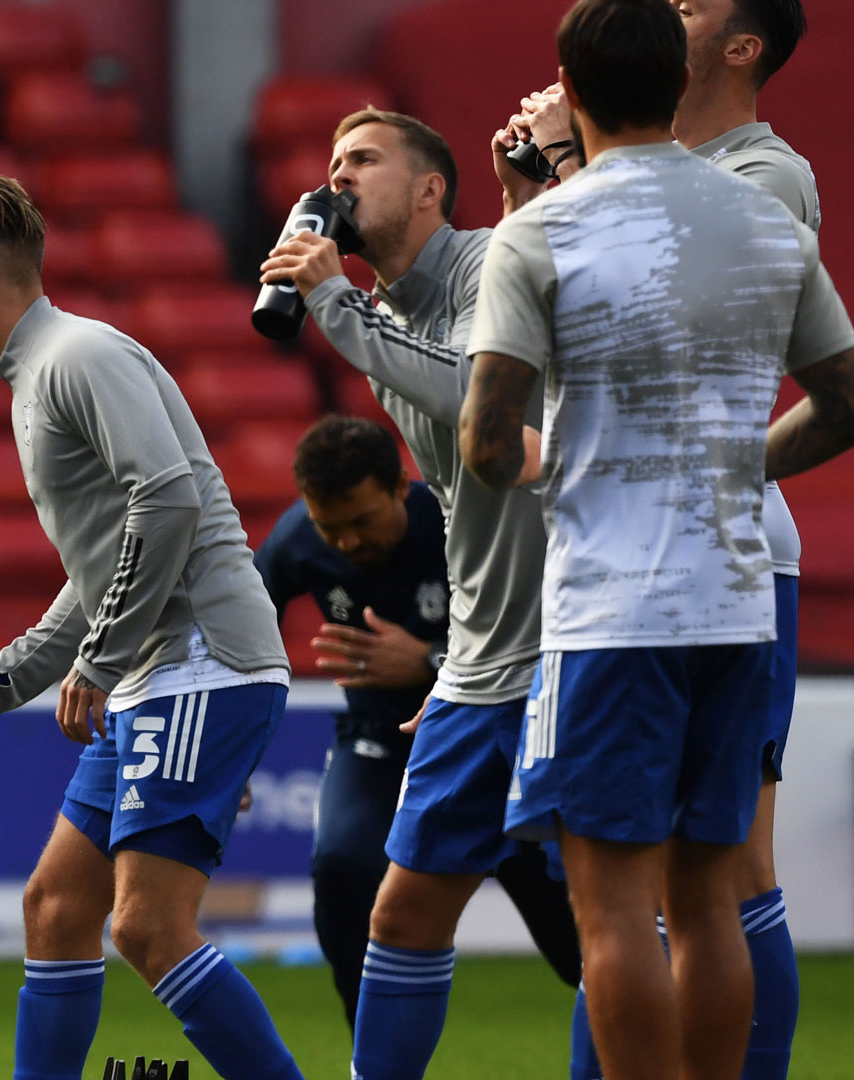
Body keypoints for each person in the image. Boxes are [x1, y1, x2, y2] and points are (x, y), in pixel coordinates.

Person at [459, 5, 854, 1080]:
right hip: (736, 596)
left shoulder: (543, 227)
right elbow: (844, 398)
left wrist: (563, 462)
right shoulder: (765, 218)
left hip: (614, 607)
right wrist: (729, 464)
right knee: (713, 897)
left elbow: (488, 444)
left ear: (570, 88)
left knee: (615, 911)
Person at [0, 166, 301, 1080]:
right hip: (153, 671)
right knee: (55, 907)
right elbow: (103, 571)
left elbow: (165, 505)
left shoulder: (78, 356)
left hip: (202, 662)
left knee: (148, 927)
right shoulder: (37, 376)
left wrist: (100, 659)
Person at [255, 106, 567, 1080]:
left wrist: (338, 307)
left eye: (363, 160)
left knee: (600, 921)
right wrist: (457, 657)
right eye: (331, 160)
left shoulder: (492, 261)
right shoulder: (383, 322)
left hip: (569, 638)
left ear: (432, 185)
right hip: (488, 653)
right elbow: (472, 505)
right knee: (389, 900)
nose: (337, 177)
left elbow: (481, 400)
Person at [253, 416, 579, 1030]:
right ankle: (371, 1051)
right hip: (380, 743)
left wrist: (427, 661)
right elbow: (236, 634)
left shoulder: (464, 523)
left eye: (360, 521)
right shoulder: (297, 541)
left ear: (403, 489)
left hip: (494, 736)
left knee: (576, 930)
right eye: (330, 527)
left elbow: (549, 626)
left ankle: (642, 1039)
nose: (345, 542)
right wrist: (229, 753)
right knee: (344, 866)